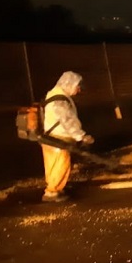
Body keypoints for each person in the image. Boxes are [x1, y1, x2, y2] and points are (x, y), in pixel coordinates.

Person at [40, 71, 94, 203]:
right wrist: (81, 136)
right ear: (69, 84)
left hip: (51, 137)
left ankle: (53, 189)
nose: (79, 90)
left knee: (53, 165)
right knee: (60, 165)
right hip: (57, 138)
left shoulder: (55, 94)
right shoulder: (60, 99)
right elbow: (67, 120)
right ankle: (52, 193)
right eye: (77, 86)